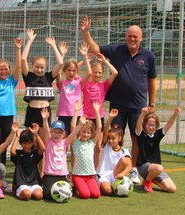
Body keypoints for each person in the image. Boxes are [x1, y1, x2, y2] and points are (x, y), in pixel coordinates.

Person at [81, 16, 157, 184]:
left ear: (141, 38)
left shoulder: (149, 56)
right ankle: (106, 169)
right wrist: (86, 33)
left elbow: (152, 80)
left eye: (135, 36)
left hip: (139, 106)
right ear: (125, 37)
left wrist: (151, 103)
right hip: (117, 106)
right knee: (111, 137)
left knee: (136, 138)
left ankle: (134, 169)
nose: (132, 39)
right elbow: (95, 48)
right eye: (129, 36)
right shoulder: (116, 50)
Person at [0, 35, 22, 165]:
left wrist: (18, 49)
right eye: (1, 69)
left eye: (6, 69)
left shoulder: (12, 81)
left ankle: (1, 168)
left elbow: (18, 67)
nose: (3, 71)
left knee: (5, 144)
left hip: (8, 117)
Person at [21, 29, 63, 129]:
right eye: (37, 67)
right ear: (32, 66)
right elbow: (23, 60)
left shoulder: (49, 77)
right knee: (31, 142)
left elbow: (60, 63)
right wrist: (29, 41)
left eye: (42, 67)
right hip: (32, 111)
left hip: (45, 111)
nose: (39, 69)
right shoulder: (29, 76)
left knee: (44, 142)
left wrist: (53, 46)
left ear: (46, 67)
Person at [135, 107, 181, 193]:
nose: (150, 127)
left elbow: (168, 125)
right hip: (143, 166)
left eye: (153, 125)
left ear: (156, 126)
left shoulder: (157, 135)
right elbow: (138, 125)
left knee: (171, 189)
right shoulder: (141, 134)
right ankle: (147, 181)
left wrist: (175, 114)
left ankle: (151, 179)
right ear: (144, 125)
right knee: (159, 168)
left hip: (155, 169)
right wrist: (142, 114)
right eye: (148, 124)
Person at [39, 107, 81, 200]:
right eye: (54, 131)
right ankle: (43, 185)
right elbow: (45, 130)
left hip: (61, 175)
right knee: (47, 195)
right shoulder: (48, 142)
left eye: (59, 132)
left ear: (63, 134)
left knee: (66, 194)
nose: (57, 134)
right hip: (50, 175)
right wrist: (45, 119)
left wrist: (80, 124)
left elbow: (73, 133)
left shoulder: (65, 142)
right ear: (51, 132)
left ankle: (74, 188)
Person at [55, 42, 92, 135]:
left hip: (77, 114)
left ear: (77, 71)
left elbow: (89, 73)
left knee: (75, 140)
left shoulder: (79, 83)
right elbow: (57, 71)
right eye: (69, 70)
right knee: (63, 139)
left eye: (74, 71)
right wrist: (62, 55)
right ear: (65, 71)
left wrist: (85, 56)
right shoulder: (61, 83)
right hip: (63, 115)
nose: (71, 73)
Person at [94, 109, 132, 196]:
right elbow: (106, 131)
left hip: (115, 175)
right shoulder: (106, 146)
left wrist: (122, 174)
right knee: (108, 191)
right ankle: (105, 186)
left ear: (119, 138)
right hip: (103, 176)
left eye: (113, 138)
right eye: (109, 138)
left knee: (124, 159)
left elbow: (129, 165)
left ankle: (117, 185)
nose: (110, 140)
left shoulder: (124, 151)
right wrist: (110, 118)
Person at [70, 102, 102, 199]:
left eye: (88, 132)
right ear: (79, 131)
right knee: (85, 195)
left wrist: (97, 112)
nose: (86, 134)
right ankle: (76, 187)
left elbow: (99, 128)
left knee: (96, 195)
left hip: (89, 176)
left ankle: (83, 187)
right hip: (78, 175)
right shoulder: (75, 142)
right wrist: (76, 112)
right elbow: (72, 127)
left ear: (91, 134)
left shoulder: (91, 143)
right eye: (83, 132)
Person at [82, 53, 118, 128]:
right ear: (91, 72)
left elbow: (115, 72)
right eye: (95, 72)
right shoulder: (85, 84)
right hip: (86, 116)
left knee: (98, 138)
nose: (97, 74)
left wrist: (104, 60)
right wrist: (85, 60)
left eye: (100, 73)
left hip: (98, 116)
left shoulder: (104, 85)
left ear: (102, 74)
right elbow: (75, 70)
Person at [10, 124, 45, 201]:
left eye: (29, 143)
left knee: (39, 196)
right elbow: (12, 151)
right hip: (21, 183)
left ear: (33, 143)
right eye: (24, 143)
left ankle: (31, 192)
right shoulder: (18, 154)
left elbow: (43, 148)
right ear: (21, 143)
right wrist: (17, 136)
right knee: (27, 195)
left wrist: (36, 134)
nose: (27, 146)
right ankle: (18, 191)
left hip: (34, 182)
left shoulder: (34, 153)